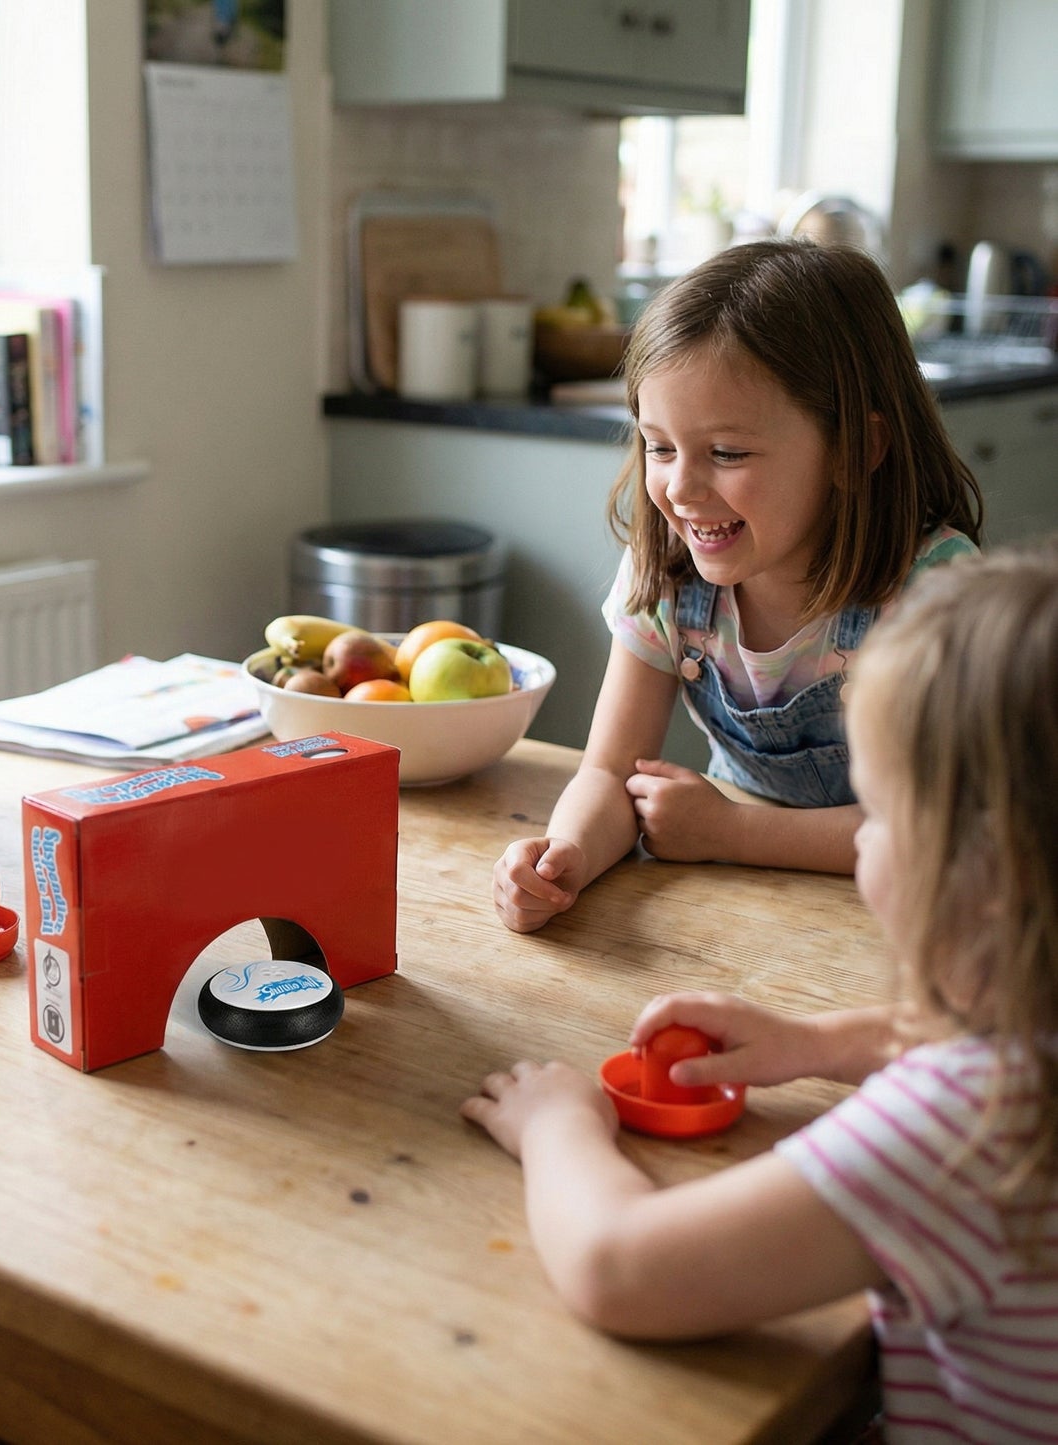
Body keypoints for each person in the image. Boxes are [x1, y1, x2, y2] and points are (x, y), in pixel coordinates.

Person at [464, 544, 1058, 1441]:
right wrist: (818, 1044)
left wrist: (555, 1126)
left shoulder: (972, 1129)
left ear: (991, 872)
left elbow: (620, 1267)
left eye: (878, 814)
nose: (861, 840)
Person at [493, 238, 982, 934]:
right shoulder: (665, 571)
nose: (680, 489)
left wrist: (731, 831)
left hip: (908, 927)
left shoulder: (935, 595)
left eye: (726, 453)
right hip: (746, 913)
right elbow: (607, 774)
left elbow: (939, 829)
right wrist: (562, 857)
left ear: (853, 451)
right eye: (660, 447)